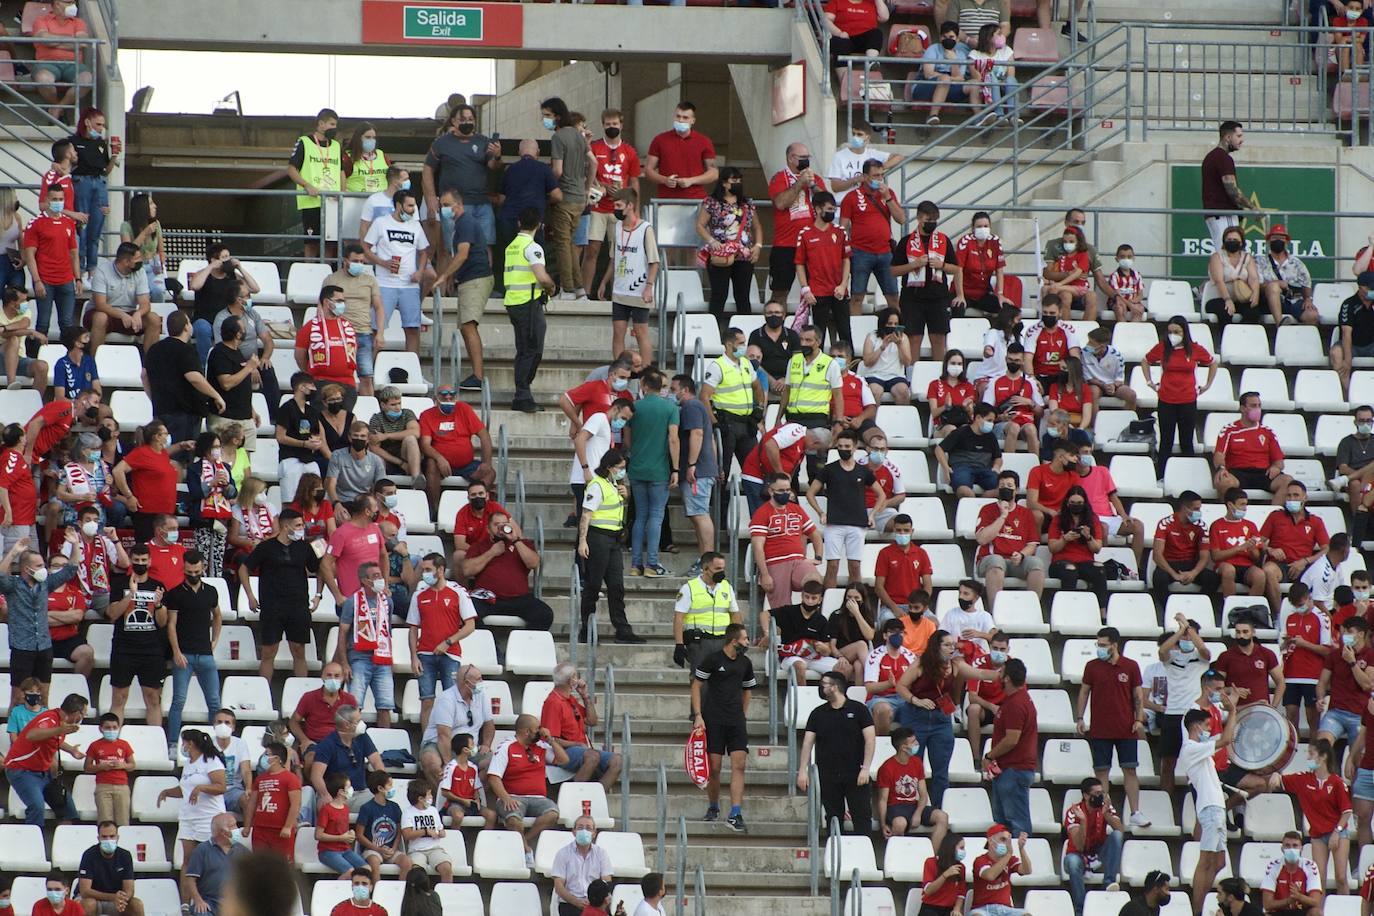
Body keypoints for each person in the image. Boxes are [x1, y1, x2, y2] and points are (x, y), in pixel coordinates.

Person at [896, 630, 999, 807]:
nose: (952, 648)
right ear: (936, 646)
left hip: (940, 718)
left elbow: (980, 674)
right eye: (947, 645)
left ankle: (938, 808)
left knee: (941, 770)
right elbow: (901, 686)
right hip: (916, 716)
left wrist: (1003, 674)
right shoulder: (921, 664)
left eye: (953, 644)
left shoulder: (956, 664)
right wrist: (917, 700)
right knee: (912, 767)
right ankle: (911, 807)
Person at [1077, 627, 1149, 827]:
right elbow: (1084, 693)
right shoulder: (1092, 666)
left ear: (1114, 645)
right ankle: (1104, 812)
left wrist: (1138, 719)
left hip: (1126, 728)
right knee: (1102, 772)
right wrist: (1080, 717)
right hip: (1100, 729)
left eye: (1103, 645)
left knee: (1130, 770)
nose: (1099, 648)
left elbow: (1138, 695)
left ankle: (1135, 812)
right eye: (1098, 644)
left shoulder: (1131, 666)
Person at [1180, 689, 1240, 915]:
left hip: (1216, 807)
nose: (1209, 730)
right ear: (1196, 726)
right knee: (1205, 861)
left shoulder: (1198, 749)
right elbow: (1225, 739)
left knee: (1219, 862)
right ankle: (1197, 909)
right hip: (1210, 808)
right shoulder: (1191, 748)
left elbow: (1226, 738)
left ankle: (1203, 897)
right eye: (1206, 726)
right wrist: (1233, 710)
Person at [796, 670, 875, 837]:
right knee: (833, 817)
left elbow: (870, 740)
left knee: (862, 817)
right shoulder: (818, 713)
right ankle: (834, 855)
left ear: (835, 687)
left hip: (855, 773)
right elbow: (807, 743)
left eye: (823, 684)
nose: (821, 688)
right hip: (828, 774)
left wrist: (866, 768)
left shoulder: (859, 709)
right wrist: (802, 770)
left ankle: (863, 855)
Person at [691, 622, 754, 832]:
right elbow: (696, 685)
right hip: (714, 719)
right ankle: (714, 806)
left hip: (735, 721)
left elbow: (747, 690)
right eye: (745, 639)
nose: (747, 643)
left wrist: (742, 714)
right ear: (734, 641)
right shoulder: (713, 659)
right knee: (715, 768)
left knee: (739, 765)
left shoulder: (746, 663)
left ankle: (735, 813)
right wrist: (698, 715)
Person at [486, 714, 566, 870]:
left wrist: (550, 740)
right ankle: (526, 850)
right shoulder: (507, 747)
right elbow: (494, 777)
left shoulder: (541, 747)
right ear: (526, 731)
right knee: (514, 820)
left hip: (538, 799)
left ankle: (523, 841)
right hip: (513, 797)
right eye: (537, 729)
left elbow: (563, 760)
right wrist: (506, 798)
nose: (541, 731)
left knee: (553, 814)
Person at [1271, 739, 1351, 897]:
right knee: (1318, 879)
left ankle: (1346, 909)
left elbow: (1347, 811)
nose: (1308, 757)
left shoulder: (1336, 783)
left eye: (1311, 754)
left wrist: (1337, 831)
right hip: (1318, 834)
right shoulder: (1303, 779)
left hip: (1338, 832)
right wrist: (1275, 774)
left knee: (1341, 877)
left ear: (1323, 757)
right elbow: (1280, 780)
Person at [578, 449, 642, 643]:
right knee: (593, 585)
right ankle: (587, 629)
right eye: (620, 468)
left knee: (616, 587)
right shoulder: (597, 485)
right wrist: (582, 541)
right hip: (598, 538)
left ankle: (622, 629)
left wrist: (626, 497)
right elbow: (586, 514)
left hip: (613, 539)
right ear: (609, 467)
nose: (623, 471)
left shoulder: (613, 484)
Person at [406, 552, 476, 730]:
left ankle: (450, 744)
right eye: (423, 570)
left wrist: (448, 642)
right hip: (424, 655)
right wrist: (414, 657)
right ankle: (426, 745)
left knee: (452, 701)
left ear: (441, 570)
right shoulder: (419, 595)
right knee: (426, 700)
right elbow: (413, 629)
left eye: (428, 570)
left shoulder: (458, 593)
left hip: (450, 654)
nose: (424, 574)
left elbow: (470, 626)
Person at [807, 429, 883, 588]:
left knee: (855, 566)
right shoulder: (829, 469)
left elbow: (881, 495)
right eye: (840, 446)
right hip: (834, 524)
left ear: (855, 447)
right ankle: (828, 602)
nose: (844, 449)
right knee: (832, 566)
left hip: (858, 524)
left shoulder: (863, 471)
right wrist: (821, 512)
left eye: (847, 446)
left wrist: (872, 515)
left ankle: (856, 602)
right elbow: (810, 493)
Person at [1143, 316, 1215, 479]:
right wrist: (1150, 382)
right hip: (1166, 400)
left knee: (1186, 441)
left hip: (1188, 400)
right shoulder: (1162, 347)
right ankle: (1162, 476)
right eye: (1170, 332)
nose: (1172, 335)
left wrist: (1207, 385)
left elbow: (1212, 363)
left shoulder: (1194, 349)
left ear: (1184, 332)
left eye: (1176, 331)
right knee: (1166, 441)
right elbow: (1145, 361)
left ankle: (1188, 476)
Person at [165, 550, 224, 747]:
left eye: (196, 571)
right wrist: (176, 651)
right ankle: (173, 743)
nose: (193, 575)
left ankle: (216, 743)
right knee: (178, 701)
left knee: (214, 701)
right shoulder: (175, 593)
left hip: (205, 652)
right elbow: (171, 624)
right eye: (189, 571)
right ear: (184, 569)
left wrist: (215, 640)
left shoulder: (210, 591)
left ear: (203, 568)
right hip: (185, 654)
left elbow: (217, 615)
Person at [362, 189, 432, 355]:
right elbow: (365, 248)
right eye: (409, 205)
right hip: (385, 284)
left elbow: (424, 251)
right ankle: (372, 370)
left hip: (410, 286)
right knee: (377, 329)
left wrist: (420, 271)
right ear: (398, 205)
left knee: (412, 329)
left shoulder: (415, 225)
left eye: (414, 205)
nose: (413, 209)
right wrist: (382, 263)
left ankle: (412, 368)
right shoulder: (381, 223)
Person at [625, 369, 678, 578]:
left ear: (644, 386)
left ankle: (635, 564)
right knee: (656, 516)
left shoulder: (634, 407)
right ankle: (652, 563)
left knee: (640, 516)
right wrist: (675, 468)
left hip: (637, 468)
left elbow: (627, 439)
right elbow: (673, 439)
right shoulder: (670, 408)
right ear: (661, 387)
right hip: (660, 469)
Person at [462, 511, 555, 630]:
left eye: (504, 524)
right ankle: (492, 645)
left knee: (545, 615)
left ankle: (520, 645)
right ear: (488, 529)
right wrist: (491, 553)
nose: (501, 528)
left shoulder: (522, 544)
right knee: (467, 611)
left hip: (518, 599)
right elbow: (467, 570)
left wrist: (516, 540)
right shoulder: (479, 546)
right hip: (488, 599)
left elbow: (534, 563)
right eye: (496, 525)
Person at [893, 199, 960, 362]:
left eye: (934, 220)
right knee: (914, 338)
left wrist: (941, 265)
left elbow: (956, 268)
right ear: (918, 218)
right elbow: (893, 271)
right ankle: (912, 375)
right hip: (912, 298)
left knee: (938, 338)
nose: (931, 223)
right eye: (928, 220)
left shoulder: (943, 240)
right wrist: (914, 264)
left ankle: (938, 376)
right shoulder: (906, 242)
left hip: (938, 297)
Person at [3, 692, 86, 824]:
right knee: (36, 806)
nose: (84, 717)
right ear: (76, 712)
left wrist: (71, 750)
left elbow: (51, 738)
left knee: (67, 808)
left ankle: (64, 838)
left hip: (43, 772)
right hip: (22, 770)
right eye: (83, 713)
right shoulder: (50, 719)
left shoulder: (60, 723)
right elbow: (32, 735)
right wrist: (59, 730)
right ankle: (33, 839)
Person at [1156, 613, 1211, 795]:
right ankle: (1165, 802)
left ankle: (1197, 800)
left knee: (1195, 762)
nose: (1187, 637)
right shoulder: (1171, 656)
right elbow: (1162, 652)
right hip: (1172, 714)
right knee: (1168, 763)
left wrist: (1187, 626)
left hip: (1193, 715)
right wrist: (1181, 630)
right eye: (1185, 634)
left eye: (1191, 634)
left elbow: (1204, 650)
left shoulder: (1202, 657)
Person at [697, 168, 761, 321]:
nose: (738, 184)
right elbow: (700, 225)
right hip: (720, 252)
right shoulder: (711, 202)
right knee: (719, 294)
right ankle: (714, 330)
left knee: (743, 295)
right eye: (734, 181)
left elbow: (757, 226)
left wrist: (758, 245)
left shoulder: (747, 203)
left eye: (740, 181)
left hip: (744, 254)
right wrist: (712, 241)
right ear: (724, 183)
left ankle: (745, 331)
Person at [160, 729, 228, 868]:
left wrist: (201, 788)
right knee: (188, 861)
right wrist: (167, 792)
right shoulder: (188, 764)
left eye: (183, 743)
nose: (182, 747)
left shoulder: (211, 761)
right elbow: (184, 790)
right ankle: (187, 890)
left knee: (210, 859)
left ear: (190, 743)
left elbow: (221, 787)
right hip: (188, 817)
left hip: (208, 817)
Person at [419, 664, 494, 785]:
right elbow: (443, 735)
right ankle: (444, 800)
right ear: (466, 683)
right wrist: (449, 764)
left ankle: (472, 796)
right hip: (439, 744)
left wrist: (486, 744)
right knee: (430, 761)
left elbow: (489, 724)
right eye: (478, 679)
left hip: (469, 746)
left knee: (492, 764)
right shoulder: (446, 699)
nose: (482, 682)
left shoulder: (481, 695)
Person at [1261, 481, 1330, 613]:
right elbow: (1258, 541)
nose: (1292, 499)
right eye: (1289, 496)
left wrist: (1305, 561)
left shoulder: (1315, 521)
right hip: (1280, 564)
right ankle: (1278, 615)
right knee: (1268, 570)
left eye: (1296, 495)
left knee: (1323, 573)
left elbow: (1326, 549)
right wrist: (1270, 549)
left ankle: (1318, 616)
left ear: (1305, 498)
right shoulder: (1275, 516)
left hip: (1304, 566)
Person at [23, 182, 80, 342]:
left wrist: (78, 278)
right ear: (47, 199)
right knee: (42, 324)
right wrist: (37, 280)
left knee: (67, 324)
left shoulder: (69, 223)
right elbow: (30, 255)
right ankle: (36, 360)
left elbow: (74, 254)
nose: (58, 202)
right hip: (45, 280)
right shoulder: (35, 223)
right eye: (54, 199)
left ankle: (66, 361)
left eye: (61, 199)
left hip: (66, 279)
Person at [1213, 392, 1292, 506]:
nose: (1258, 409)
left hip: (1263, 473)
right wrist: (1221, 468)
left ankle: (1271, 516)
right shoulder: (1229, 430)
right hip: (1238, 472)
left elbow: (1279, 461)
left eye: (1259, 405)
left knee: (1287, 481)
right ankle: (1231, 518)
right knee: (1224, 481)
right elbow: (1219, 454)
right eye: (1253, 405)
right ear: (1243, 408)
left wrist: (1276, 467)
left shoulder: (1267, 432)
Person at [1062, 777, 1125, 916]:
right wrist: (1083, 821)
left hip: (1098, 851)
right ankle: (1082, 909)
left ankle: (1108, 883)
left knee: (1116, 836)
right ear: (1085, 795)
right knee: (1073, 862)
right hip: (1077, 854)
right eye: (1096, 794)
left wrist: (1107, 815)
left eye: (1101, 793)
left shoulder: (1105, 807)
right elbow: (1078, 846)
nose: (1099, 796)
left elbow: (1120, 830)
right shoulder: (1073, 812)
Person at [187, 246, 260, 365]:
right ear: (214, 259)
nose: (228, 260)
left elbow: (255, 288)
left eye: (229, 256)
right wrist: (211, 267)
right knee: (202, 328)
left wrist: (240, 268)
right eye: (224, 257)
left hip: (226, 320)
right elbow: (195, 285)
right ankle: (206, 366)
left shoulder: (232, 276)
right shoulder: (203, 274)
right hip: (206, 320)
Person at [286, 108, 341, 260]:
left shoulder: (336, 146)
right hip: (311, 201)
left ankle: (327, 274)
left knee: (330, 243)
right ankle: (309, 272)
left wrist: (342, 194)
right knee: (311, 242)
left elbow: (342, 172)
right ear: (321, 124)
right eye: (331, 124)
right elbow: (291, 169)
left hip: (332, 202)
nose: (334, 128)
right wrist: (307, 185)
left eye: (336, 125)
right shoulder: (304, 142)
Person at [309, 706, 384, 814]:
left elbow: (376, 761)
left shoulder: (362, 737)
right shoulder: (327, 744)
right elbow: (316, 776)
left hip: (361, 793)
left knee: (381, 803)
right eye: (358, 721)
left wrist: (383, 782)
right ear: (347, 725)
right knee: (328, 807)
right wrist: (325, 795)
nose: (362, 724)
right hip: (336, 795)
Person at [1151, 490, 1222, 602]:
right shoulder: (1165, 524)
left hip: (1190, 563)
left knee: (1213, 579)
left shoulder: (1201, 526)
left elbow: (1204, 556)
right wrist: (1174, 575)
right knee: (1159, 578)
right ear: (1184, 508)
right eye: (1196, 509)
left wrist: (1193, 573)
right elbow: (1157, 555)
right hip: (1170, 563)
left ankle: (1197, 606)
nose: (1199, 512)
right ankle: (1169, 610)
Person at [86, 242, 157, 353]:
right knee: (100, 318)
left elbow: (145, 304)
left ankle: (150, 366)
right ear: (126, 262)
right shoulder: (102, 271)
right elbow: (100, 304)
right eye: (137, 258)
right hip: (104, 313)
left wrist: (138, 314)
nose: (141, 261)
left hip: (130, 314)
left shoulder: (140, 272)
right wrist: (122, 315)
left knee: (153, 319)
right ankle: (94, 364)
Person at [296, 286, 359, 409]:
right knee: (322, 424)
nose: (342, 304)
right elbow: (299, 355)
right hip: (321, 384)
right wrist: (312, 375)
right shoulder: (310, 327)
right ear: (326, 302)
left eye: (343, 301)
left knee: (344, 424)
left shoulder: (348, 326)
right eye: (339, 301)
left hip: (347, 384)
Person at [645, 101, 718, 204]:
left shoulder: (704, 142)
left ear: (693, 121)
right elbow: (648, 170)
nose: (680, 120)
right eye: (678, 116)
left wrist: (691, 181)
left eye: (685, 118)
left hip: (696, 201)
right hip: (666, 201)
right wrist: (665, 180)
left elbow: (714, 173)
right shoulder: (659, 140)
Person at [1200, 120, 1256, 251]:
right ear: (1228, 137)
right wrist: (1253, 208)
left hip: (1215, 215)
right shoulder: (1223, 158)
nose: (1241, 140)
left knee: (1223, 255)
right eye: (1239, 136)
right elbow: (1232, 190)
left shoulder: (1211, 157)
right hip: (1225, 214)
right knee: (1230, 255)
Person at [244, 740, 301, 861]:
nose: (264, 757)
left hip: (280, 830)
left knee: (282, 866)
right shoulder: (260, 779)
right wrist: (247, 826)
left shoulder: (290, 779)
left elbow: (295, 804)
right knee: (260, 865)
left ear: (277, 758)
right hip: (260, 829)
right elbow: (252, 804)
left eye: (267, 754)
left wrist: (288, 826)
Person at [182, 813, 246, 916]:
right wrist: (198, 900)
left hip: (234, 905)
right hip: (209, 904)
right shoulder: (202, 850)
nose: (237, 829)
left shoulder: (242, 850)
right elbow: (190, 879)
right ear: (223, 832)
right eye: (233, 826)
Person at [551, 814, 614, 916]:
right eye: (580, 828)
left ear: (594, 833)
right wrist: (576, 902)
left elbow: (606, 881)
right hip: (570, 904)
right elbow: (559, 886)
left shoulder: (601, 853)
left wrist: (596, 902)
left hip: (596, 904)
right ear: (573, 832)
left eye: (589, 828)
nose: (584, 831)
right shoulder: (562, 854)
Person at [872, 515, 933, 620]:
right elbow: (878, 587)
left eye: (906, 530)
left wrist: (921, 605)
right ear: (894, 530)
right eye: (899, 530)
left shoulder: (921, 553)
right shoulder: (885, 553)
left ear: (912, 531)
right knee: (889, 622)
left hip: (916, 604)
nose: (902, 533)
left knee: (934, 622)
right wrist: (894, 607)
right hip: (891, 606)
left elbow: (928, 585)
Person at [912, 22, 973, 125]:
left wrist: (953, 61)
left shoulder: (961, 55)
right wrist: (947, 78)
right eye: (944, 37)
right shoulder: (933, 49)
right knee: (945, 79)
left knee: (974, 84)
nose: (947, 39)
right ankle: (932, 116)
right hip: (925, 86)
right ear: (940, 38)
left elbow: (960, 78)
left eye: (951, 37)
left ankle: (979, 119)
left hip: (949, 87)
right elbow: (928, 74)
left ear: (957, 39)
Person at [76, 821, 141, 916]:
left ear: (117, 838)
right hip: (94, 900)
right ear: (98, 838)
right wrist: (113, 897)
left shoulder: (125, 855)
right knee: (88, 904)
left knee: (136, 905)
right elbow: (85, 891)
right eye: (104, 837)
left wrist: (122, 899)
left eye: (112, 836)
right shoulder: (89, 855)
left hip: (117, 901)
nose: (108, 840)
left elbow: (129, 889)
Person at [1257, 832, 1324, 916]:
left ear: (1301, 848)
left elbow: (1316, 902)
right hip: (1279, 911)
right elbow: (1267, 904)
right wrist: (1289, 901)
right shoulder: (1273, 866)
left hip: (1302, 911)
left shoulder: (1310, 866)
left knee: (1317, 913)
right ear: (1282, 849)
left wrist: (1299, 897)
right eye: (1287, 846)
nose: (1291, 849)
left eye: (1295, 846)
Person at [85, 713, 134, 826]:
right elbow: (87, 767)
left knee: (123, 821)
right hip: (103, 786)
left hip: (122, 786)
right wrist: (100, 767)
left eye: (114, 727)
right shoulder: (94, 745)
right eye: (107, 727)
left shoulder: (124, 744)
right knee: (105, 821)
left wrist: (122, 765)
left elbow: (132, 765)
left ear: (119, 728)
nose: (111, 730)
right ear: (101, 729)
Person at [971, 825, 1032, 916]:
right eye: (1003, 840)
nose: (1006, 844)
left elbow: (1027, 870)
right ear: (991, 841)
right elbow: (990, 875)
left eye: (1008, 840)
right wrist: (1008, 854)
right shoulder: (980, 860)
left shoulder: (1010, 860)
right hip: (983, 909)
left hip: (1006, 910)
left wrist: (1021, 848)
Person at [748, 300, 802, 397]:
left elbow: (797, 361)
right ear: (764, 315)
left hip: (789, 380)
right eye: (770, 313)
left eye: (777, 312)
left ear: (784, 315)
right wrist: (771, 381)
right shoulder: (755, 335)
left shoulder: (792, 335)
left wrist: (785, 379)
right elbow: (753, 361)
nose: (773, 316)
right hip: (763, 380)